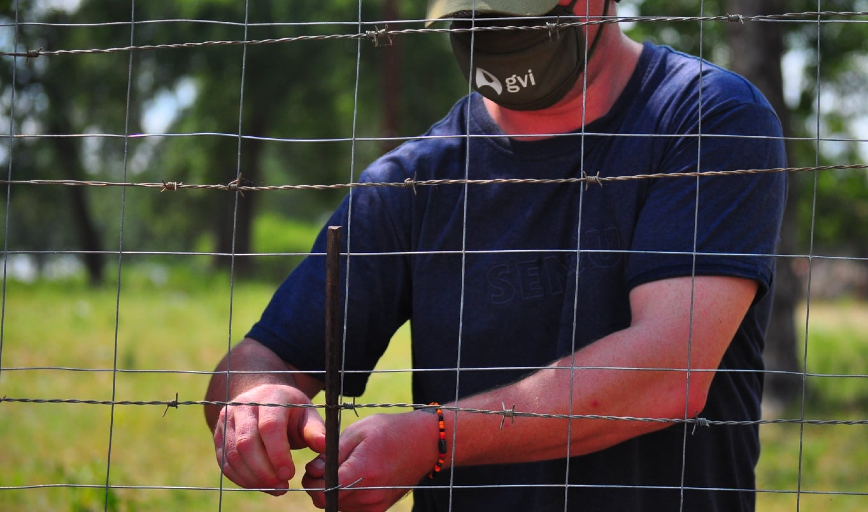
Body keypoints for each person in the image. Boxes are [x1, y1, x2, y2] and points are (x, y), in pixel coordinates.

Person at [204, 0, 787, 510]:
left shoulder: (707, 118)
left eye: (514, 13)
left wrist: (433, 439)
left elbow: (667, 371)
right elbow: (261, 361)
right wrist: (256, 403)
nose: (494, 32)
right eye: (473, 17)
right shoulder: (417, 178)